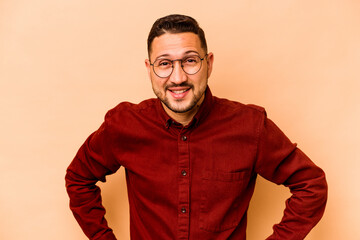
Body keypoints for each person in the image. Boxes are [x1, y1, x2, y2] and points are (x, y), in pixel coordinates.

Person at [65, 14, 328, 240]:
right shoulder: (124, 125)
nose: (178, 78)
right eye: (164, 63)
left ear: (208, 63)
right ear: (149, 69)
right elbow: (78, 178)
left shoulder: (250, 127)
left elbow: (311, 185)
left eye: (190, 61)